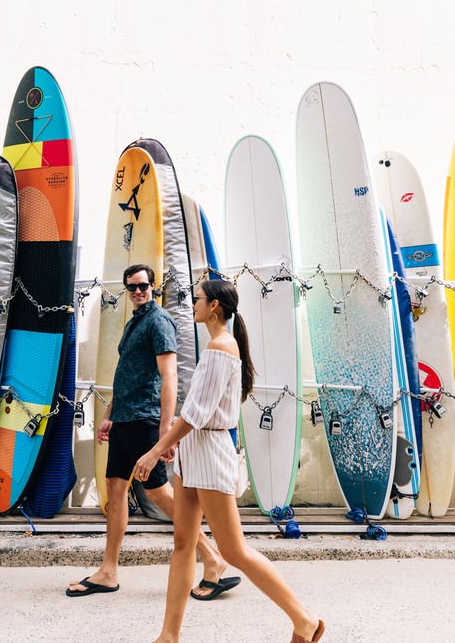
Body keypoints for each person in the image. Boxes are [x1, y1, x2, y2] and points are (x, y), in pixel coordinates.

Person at [133, 279, 325, 643]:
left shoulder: (221, 348)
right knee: (182, 544)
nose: (194, 305)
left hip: (209, 452)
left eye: (199, 299)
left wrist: (157, 449)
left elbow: (199, 413)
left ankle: (304, 619)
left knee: (234, 549)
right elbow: (194, 412)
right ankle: (168, 636)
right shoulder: (216, 347)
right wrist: (176, 439)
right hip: (194, 451)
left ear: (215, 307)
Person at [67, 264, 236, 599]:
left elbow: (169, 376)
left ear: (153, 286)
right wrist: (109, 415)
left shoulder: (159, 321)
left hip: (145, 419)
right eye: (131, 287)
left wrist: (163, 432)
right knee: (115, 490)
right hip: (125, 420)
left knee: (160, 494)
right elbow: (126, 373)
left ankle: (212, 556)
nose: (137, 292)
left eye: (142, 286)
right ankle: (108, 571)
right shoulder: (135, 321)